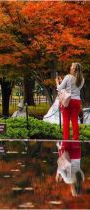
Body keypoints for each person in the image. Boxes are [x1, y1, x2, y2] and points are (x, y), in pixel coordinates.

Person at [55, 62, 85, 196]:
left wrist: (58, 82)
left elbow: (59, 88)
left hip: (67, 101)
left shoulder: (79, 177)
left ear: (73, 69)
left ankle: (66, 140)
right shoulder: (81, 79)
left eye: (71, 66)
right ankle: (75, 139)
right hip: (76, 101)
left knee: (66, 122)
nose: (69, 68)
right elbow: (60, 169)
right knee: (75, 122)